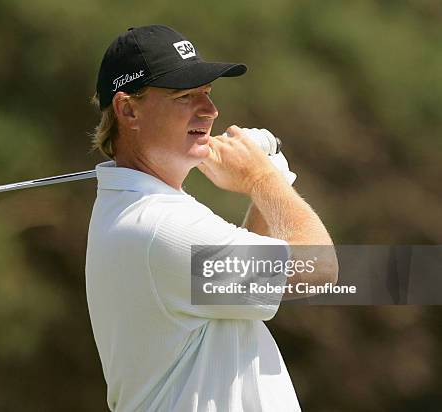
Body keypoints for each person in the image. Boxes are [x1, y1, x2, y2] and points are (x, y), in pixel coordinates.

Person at [85, 25, 337, 412]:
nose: (210, 110)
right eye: (185, 96)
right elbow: (318, 269)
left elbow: (238, 286)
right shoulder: (159, 227)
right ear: (128, 110)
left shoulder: (140, 215)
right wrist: (260, 178)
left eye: (208, 93)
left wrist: (266, 176)